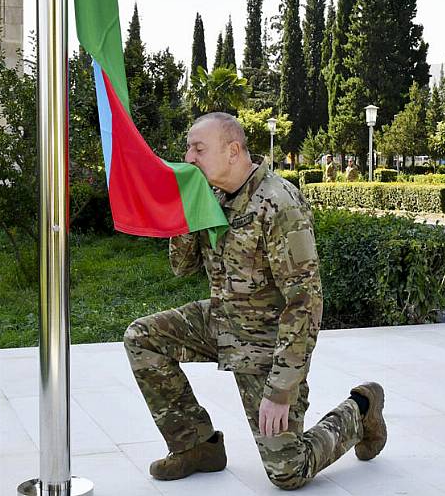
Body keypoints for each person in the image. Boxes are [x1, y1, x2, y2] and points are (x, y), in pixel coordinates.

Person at [123, 112, 386, 490]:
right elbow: (182, 268)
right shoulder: (209, 195)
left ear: (233, 151)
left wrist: (281, 390)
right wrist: (183, 211)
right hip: (221, 320)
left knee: (287, 471)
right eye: (188, 148)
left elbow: (305, 301)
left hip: (266, 341)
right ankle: (197, 445)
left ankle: (361, 411)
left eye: (198, 148)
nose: (189, 157)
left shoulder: (278, 203)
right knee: (142, 337)